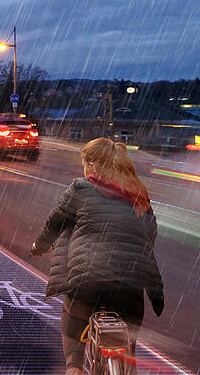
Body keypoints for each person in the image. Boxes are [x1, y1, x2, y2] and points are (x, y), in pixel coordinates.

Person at [30, 138, 164, 374]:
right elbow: (150, 234)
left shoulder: (80, 189)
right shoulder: (138, 193)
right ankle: (125, 365)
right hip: (130, 285)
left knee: (72, 318)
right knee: (127, 338)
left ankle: (74, 368)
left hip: (87, 281)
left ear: (91, 164)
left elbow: (54, 223)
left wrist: (39, 246)